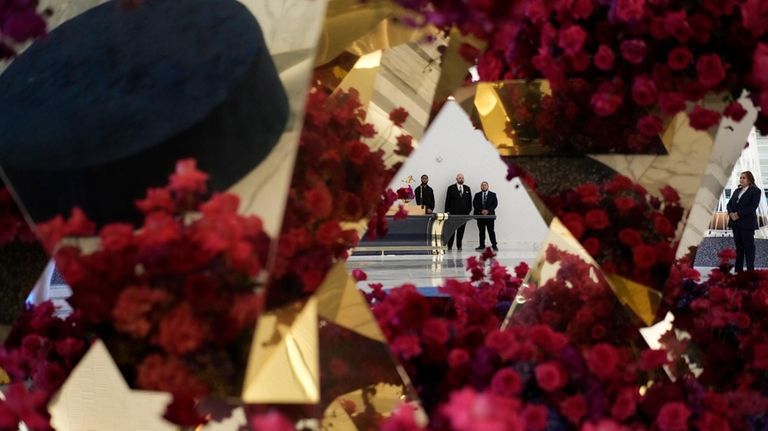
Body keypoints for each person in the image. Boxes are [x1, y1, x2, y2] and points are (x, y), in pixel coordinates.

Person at [727, 170, 761, 272]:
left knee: (749, 248)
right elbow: (729, 204)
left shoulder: (755, 191)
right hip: (735, 223)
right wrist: (731, 213)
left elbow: (753, 206)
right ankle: (738, 271)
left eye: (744, 178)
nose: (741, 179)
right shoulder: (737, 191)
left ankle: (750, 272)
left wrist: (738, 214)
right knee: (739, 248)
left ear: (749, 180)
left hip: (747, 224)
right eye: (740, 177)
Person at [444, 173, 472, 250]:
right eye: (459, 178)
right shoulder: (451, 188)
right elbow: (447, 200)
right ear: (456, 179)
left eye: (462, 178)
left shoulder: (467, 188)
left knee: (461, 230)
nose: (461, 179)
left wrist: (468, 211)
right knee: (452, 230)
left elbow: (469, 201)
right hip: (453, 214)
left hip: (463, 214)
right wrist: (447, 211)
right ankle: (449, 246)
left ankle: (459, 246)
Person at [473, 181, 498, 251]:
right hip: (480, 216)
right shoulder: (477, 195)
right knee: (481, 231)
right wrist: (481, 211)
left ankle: (494, 245)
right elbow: (475, 204)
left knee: (491, 231)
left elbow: (495, 204)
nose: (484, 186)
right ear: (481, 187)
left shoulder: (493, 194)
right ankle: (481, 245)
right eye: (482, 185)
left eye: (485, 185)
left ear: (488, 186)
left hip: (490, 216)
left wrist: (488, 211)